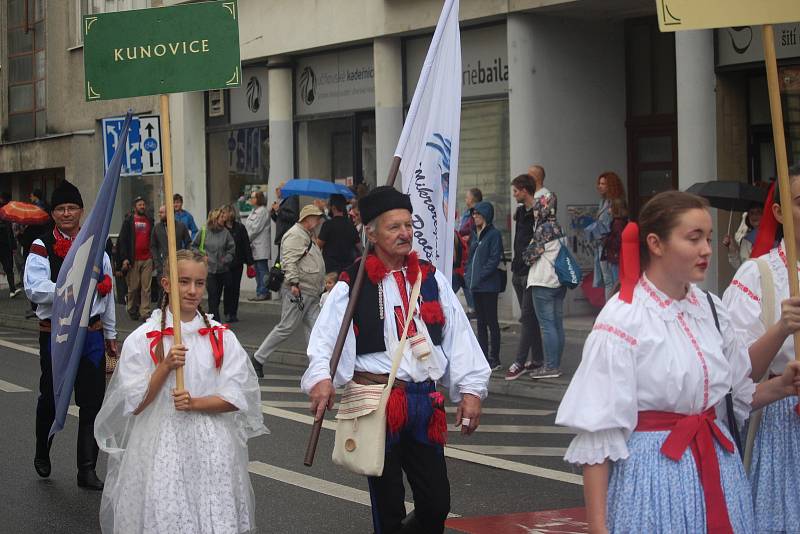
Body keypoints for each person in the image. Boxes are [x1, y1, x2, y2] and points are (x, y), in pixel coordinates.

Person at [556, 190, 800, 534]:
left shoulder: (712, 310)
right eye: (694, 238)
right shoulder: (623, 319)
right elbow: (598, 439)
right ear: (655, 243)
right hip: (653, 480)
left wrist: (781, 386)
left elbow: (735, 397)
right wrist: (599, 530)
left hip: (718, 468)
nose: (707, 250)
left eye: (710, 238)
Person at [303, 186, 491, 533]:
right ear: (371, 233)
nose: (405, 233)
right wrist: (321, 379)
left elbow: (460, 336)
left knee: (436, 503)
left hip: (424, 401)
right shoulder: (351, 283)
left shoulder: (431, 279)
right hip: (377, 404)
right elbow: (325, 338)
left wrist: (471, 390)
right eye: (394, 227)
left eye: (408, 225)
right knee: (388, 504)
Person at [94, 249, 266, 533]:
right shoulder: (143, 339)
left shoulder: (221, 337)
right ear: (166, 284)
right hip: (162, 444)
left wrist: (196, 402)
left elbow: (237, 396)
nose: (192, 290)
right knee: (168, 513)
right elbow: (135, 403)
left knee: (212, 515)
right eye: (183, 281)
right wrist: (164, 367)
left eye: (199, 283)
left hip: (212, 447)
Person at [722, 165, 800, 532]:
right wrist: (782, 328)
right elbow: (741, 376)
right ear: (779, 212)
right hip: (784, 423)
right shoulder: (760, 276)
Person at [24, 180, 117, 489]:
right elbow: (35, 289)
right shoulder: (40, 246)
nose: (67, 213)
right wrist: (71, 290)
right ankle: (42, 448)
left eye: (72, 208)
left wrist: (111, 334)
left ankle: (87, 469)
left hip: (91, 334)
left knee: (92, 402)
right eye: (61, 208)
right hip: (57, 334)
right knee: (52, 395)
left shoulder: (97, 245)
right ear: (53, 213)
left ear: (81, 211)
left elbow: (107, 292)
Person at [251, 205, 325, 378]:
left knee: (316, 328)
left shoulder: (305, 234)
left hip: (309, 290)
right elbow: (289, 261)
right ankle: (258, 358)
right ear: (307, 219)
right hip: (300, 290)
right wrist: (294, 283)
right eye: (316, 217)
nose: (319, 220)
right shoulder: (295, 235)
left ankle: (317, 365)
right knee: (286, 327)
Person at [525, 165, 567, 379]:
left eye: (536, 208)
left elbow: (530, 256)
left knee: (548, 326)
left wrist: (526, 253)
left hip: (543, 281)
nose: (534, 211)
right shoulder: (559, 228)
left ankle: (551, 366)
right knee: (557, 325)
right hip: (558, 281)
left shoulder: (543, 228)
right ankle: (555, 364)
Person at [506, 174, 544, 380]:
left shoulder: (539, 212)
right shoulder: (520, 213)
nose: (514, 195)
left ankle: (519, 362)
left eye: (516, 191)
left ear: (525, 190)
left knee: (527, 318)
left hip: (532, 272)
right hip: (518, 271)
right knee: (531, 319)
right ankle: (537, 358)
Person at [465, 201, 504, 370]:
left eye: (478, 214)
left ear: (486, 215)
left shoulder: (493, 234)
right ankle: (483, 357)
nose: (475, 217)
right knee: (480, 322)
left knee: (491, 322)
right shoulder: (475, 234)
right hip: (476, 285)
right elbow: (471, 258)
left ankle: (495, 358)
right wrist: (469, 275)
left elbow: (494, 259)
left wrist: (479, 276)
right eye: (473, 214)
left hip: (489, 286)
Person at [192, 208, 235, 322]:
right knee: (213, 295)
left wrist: (226, 259)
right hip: (208, 270)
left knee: (217, 297)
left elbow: (231, 249)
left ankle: (212, 319)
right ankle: (215, 321)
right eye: (221, 217)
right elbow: (193, 246)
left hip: (222, 269)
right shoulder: (204, 230)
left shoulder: (226, 233)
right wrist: (202, 255)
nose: (224, 218)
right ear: (215, 218)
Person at [590, 172, 627, 301]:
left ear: (611, 185)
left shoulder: (616, 202)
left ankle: (613, 311)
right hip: (603, 245)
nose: (600, 186)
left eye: (603, 183)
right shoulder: (603, 201)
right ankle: (609, 310)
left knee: (613, 281)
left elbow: (618, 225)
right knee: (608, 280)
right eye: (599, 183)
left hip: (611, 245)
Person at [118, 197, 154, 321]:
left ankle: (145, 312)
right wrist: (124, 258)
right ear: (135, 207)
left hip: (147, 258)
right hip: (134, 259)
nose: (142, 206)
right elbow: (123, 240)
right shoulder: (128, 220)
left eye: (144, 204)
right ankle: (132, 308)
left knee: (146, 287)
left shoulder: (150, 220)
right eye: (140, 204)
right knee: (133, 287)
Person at [222, 204, 254, 323]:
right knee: (228, 287)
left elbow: (246, 245)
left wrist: (250, 262)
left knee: (235, 288)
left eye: (225, 213)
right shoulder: (222, 228)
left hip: (237, 262)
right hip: (225, 263)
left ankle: (233, 313)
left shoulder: (240, 228)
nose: (223, 215)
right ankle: (227, 311)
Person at [453, 188, 481, 317]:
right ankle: (472, 307)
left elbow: (470, 231)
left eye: (467, 197)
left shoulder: (475, 214)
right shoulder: (466, 214)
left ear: (473, 198)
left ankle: (472, 307)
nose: (466, 199)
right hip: (462, 253)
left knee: (462, 279)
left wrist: (466, 237)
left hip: (468, 253)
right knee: (462, 279)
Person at [318, 193, 360, 274]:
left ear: (333, 208)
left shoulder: (327, 225)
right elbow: (359, 246)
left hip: (330, 269)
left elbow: (318, 245)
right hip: (348, 268)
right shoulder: (351, 225)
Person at [150, 204, 191, 282]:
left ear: (169, 212)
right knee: (163, 290)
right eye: (159, 212)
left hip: (178, 264)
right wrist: (157, 263)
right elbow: (153, 246)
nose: (159, 215)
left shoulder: (181, 226)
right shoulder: (156, 228)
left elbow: (188, 242)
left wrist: (186, 257)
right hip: (162, 266)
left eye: (161, 212)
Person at [244, 190, 272, 301]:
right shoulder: (253, 211)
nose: (251, 199)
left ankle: (264, 291)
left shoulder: (262, 212)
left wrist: (246, 239)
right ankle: (259, 291)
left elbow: (255, 229)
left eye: (253, 197)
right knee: (256, 270)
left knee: (262, 269)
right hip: (253, 246)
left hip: (260, 246)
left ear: (259, 199)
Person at [722, 204, 763, 270]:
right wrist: (731, 248)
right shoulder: (746, 240)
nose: (754, 216)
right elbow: (740, 266)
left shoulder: (775, 237)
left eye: (758, 212)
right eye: (751, 213)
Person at [270, 182, 300, 254]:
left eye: (278, 189)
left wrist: (278, 210)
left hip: (287, 236)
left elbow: (293, 217)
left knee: (281, 262)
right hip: (282, 237)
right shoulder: (283, 201)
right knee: (279, 262)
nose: (276, 191)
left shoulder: (291, 199)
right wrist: (273, 213)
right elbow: (279, 220)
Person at [0, 192, 20, 298]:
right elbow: (9, 232)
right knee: (9, 268)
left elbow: (10, 232)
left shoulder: (6, 213)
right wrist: (13, 246)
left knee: (9, 268)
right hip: (6, 245)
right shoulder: (6, 213)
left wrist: (13, 246)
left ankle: (12, 289)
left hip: (6, 246)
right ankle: (12, 289)